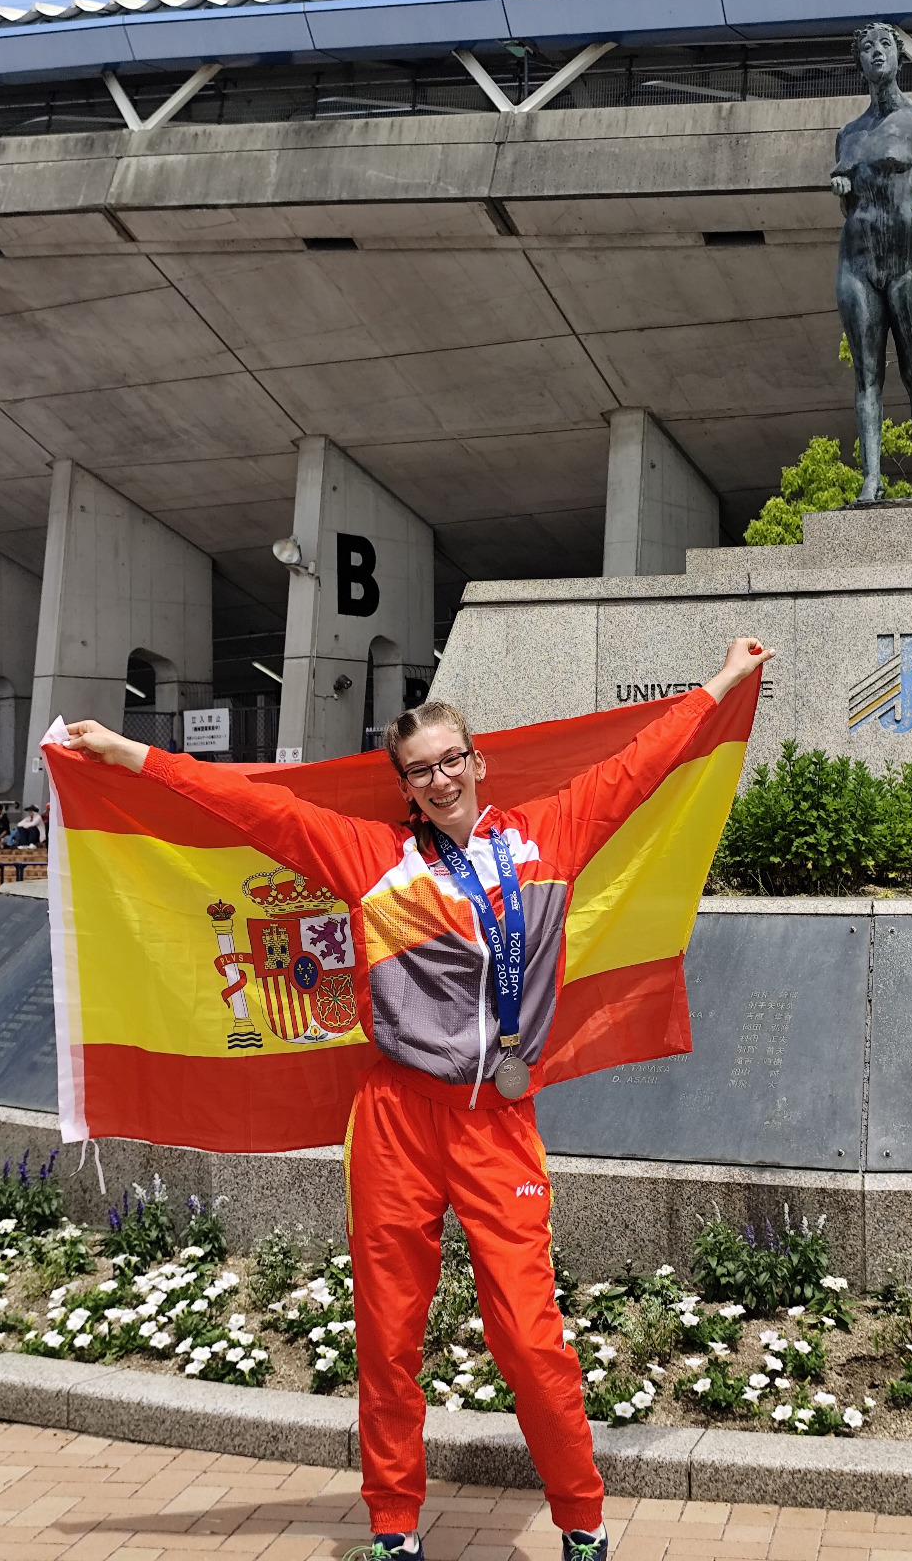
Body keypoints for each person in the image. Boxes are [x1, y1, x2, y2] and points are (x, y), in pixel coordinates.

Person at [60, 637, 772, 1561]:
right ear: (403, 787)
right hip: (395, 1117)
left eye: (449, 763)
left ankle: (582, 1520)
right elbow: (251, 805)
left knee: (530, 1336)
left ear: (479, 765)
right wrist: (131, 754)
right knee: (389, 1333)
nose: (438, 782)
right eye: (419, 772)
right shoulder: (369, 858)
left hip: (497, 1122)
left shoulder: (551, 837)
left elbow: (643, 761)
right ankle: (394, 1527)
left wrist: (720, 682)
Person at [831, 20, 912, 503]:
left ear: (900, 57)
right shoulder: (847, 134)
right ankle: (871, 477)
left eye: (885, 45)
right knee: (866, 373)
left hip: (910, 256)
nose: (876, 53)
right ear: (859, 62)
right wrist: (844, 190)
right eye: (867, 47)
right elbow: (851, 203)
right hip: (858, 260)